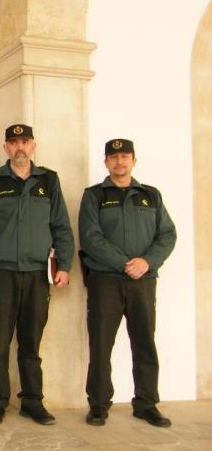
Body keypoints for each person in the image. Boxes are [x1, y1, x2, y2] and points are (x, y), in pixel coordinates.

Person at [0, 123, 74, 426]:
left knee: (31, 342)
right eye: (13, 143)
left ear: (33, 146)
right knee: (0, 342)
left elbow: (62, 228)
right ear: (6, 148)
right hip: (0, 273)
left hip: (37, 273)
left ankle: (32, 402)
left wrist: (64, 266)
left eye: (25, 142)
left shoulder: (48, 181)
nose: (19, 147)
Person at [79, 139, 176, 427]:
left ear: (133, 160)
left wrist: (146, 262)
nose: (119, 162)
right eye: (113, 157)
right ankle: (98, 405)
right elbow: (90, 237)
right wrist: (124, 263)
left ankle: (146, 404)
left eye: (124, 156)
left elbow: (167, 235)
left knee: (145, 343)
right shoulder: (94, 196)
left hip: (143, 281)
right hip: (105, 281)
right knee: (101, 345)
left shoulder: (151, 195)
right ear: (106, 162)